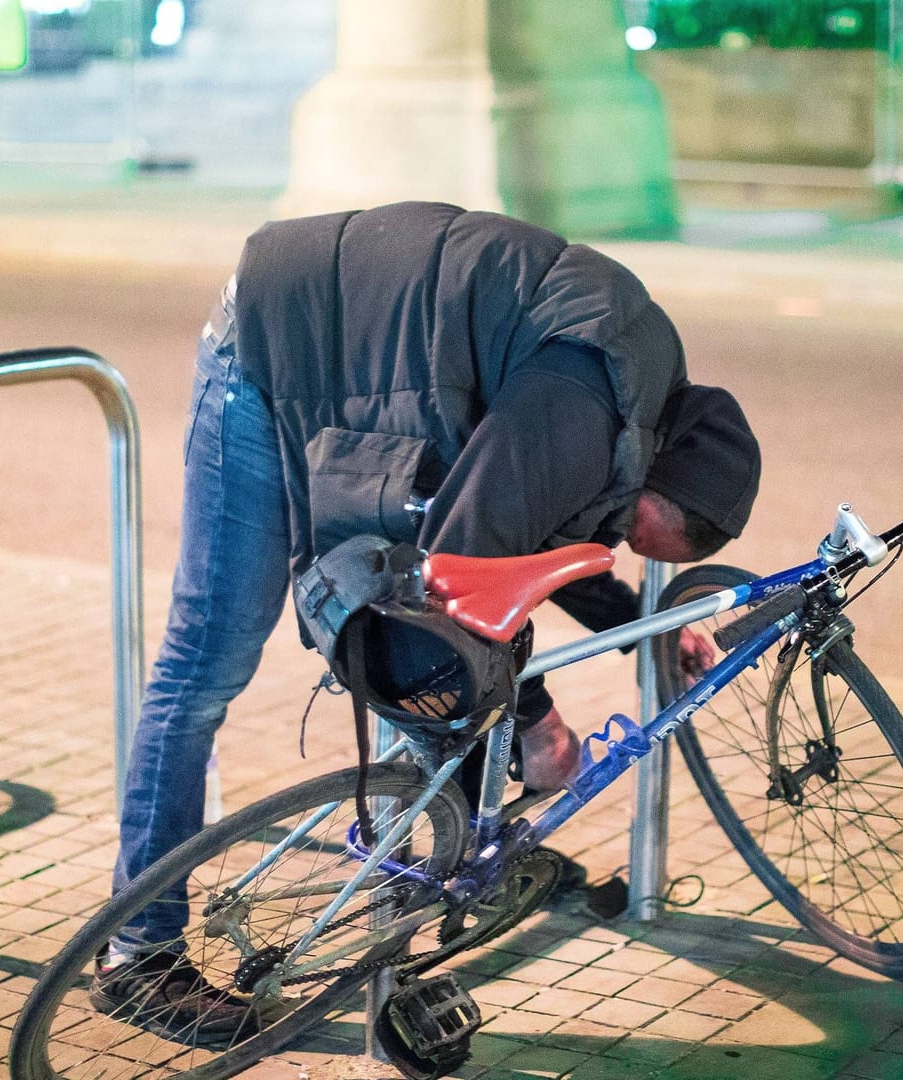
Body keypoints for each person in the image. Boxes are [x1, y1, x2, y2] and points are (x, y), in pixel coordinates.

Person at [99, 201, 761, 1036]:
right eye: (640, 532)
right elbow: (467, 565)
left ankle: (446, 863)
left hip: (365, 351)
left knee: (458, 658)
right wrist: (540, 724)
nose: (625, 540)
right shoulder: (578, 403)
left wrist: (642, 624)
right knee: (209, 662)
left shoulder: (642, 393)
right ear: (658, 472)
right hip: (274, 345)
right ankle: (138, 956)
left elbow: (563, 529)